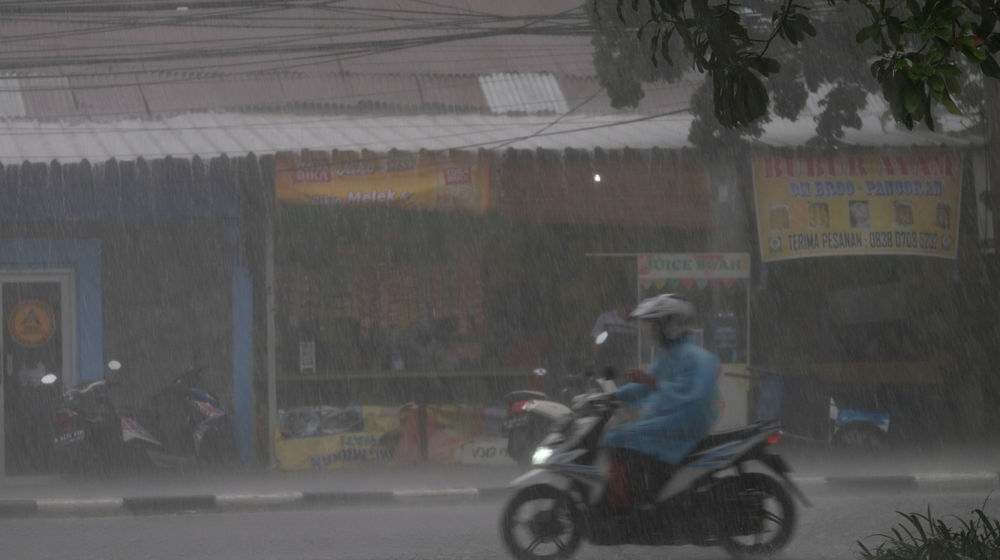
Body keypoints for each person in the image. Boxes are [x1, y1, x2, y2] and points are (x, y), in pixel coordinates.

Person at [602, 293, 720, 511]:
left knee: (619, 436)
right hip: (674, 419)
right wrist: (611, 397)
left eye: (656, 326)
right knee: (623, 435)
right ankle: (648, 489)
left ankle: (639, 499)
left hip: (685, 421)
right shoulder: (670, 355)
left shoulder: (692, 355)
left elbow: (686, 391)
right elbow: (643, 389)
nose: (653, 333)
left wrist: (649, 380)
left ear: (672, 325)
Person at [590, 301, 638, 374]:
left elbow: (637, 347)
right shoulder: (605, 318)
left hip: (626, 363)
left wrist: (634, 364)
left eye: (632, 311)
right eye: (627, 310)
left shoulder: (637, 322)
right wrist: (596, 361)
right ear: (620, 308)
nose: (629, 314)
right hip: (606, 361)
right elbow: (597, 342)